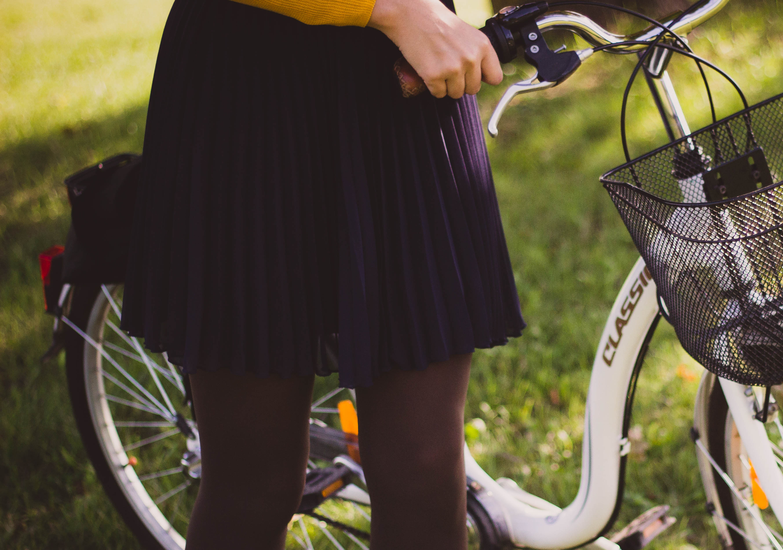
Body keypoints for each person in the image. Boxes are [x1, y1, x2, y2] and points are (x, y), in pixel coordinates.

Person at [119, 0, 526, 547]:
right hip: (249, 91)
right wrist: (392, 10)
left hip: (410, 81)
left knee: (425, 467)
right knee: (254, 483)